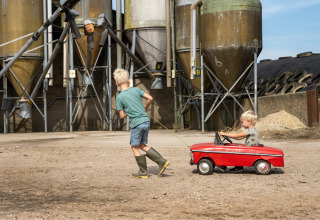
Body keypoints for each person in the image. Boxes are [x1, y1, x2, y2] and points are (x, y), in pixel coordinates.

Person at [113, 68, 170, 178]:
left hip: (137, 124)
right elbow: (150, 98)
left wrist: (126, 111)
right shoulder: (136, 90)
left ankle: (144, 171)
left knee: (134, 147)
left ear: (117, 83)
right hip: (145, 121)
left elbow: (122, 116)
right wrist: (145, 107)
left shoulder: (119, 97)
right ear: (129, 80)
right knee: (142, 145)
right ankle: (161, 161)